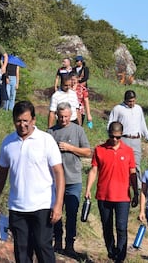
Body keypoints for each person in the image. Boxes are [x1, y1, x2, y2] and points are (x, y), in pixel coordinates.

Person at [0, 100, 65, 263]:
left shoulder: (46, 140)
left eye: (26, 120)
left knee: (43, 247)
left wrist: (58, 204)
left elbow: (59, 173)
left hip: (42, 206)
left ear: (33, 120)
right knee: (22, 252)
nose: (22, 124)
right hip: (17, 207)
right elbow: (1, 175)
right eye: (18, 121)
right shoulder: (8, 143)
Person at [86, 121, 139, 262]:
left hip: (123, 196)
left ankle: (120, 257)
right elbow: (93, 170)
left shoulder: (128, 151)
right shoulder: (99, 149)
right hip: (104, 195)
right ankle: (111, 251)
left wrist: (136, 192)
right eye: (112, 136)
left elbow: (132, 171)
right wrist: (88, 189)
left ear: (122, 135)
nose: (114, 139)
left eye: (117, 137)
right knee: (106, 226)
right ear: (108, 134)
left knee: (121, 227)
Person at [47, 102, 91, 254]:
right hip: (55, 181)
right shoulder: (51, 132)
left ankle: (70, 244)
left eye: (66, 116)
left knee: (72, 214)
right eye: (61, 117)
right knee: (55, 212)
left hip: (73, 180)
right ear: (57, 115)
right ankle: (57, 241)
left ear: (70, 115)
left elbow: (87, 152)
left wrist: (70, 148)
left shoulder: (78, 130)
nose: (63, 119)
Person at [108, 89, 148, 188]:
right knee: (122, 162)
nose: (132, 103)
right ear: (125, 100)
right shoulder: (118, 109)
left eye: (133, 101)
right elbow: (111, 124)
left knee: (136, 163)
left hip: (136, 139)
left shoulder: (138, 109)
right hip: (124, 138)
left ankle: (137, 186)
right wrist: (113, 138)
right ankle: (122, 183)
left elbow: (142, 124)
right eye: (130, 101)